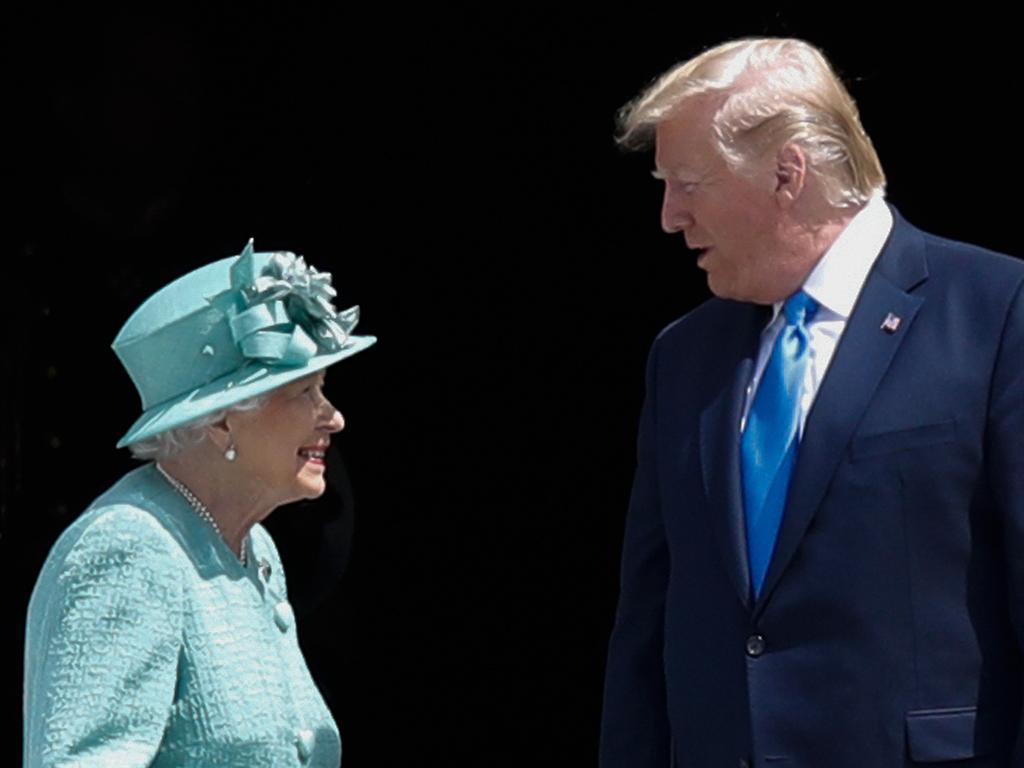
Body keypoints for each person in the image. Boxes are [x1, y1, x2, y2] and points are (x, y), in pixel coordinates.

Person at [600, 38, 1024, 767]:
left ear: (786, 173)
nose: (670, 217)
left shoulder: (996, 312)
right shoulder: (684, 357)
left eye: (688, 183)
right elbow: (647, 620)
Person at [23, 240, 375, 767]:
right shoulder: (129, 549)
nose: (333, 417)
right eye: (305, 391)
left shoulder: (251, 547)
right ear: (222, 419)